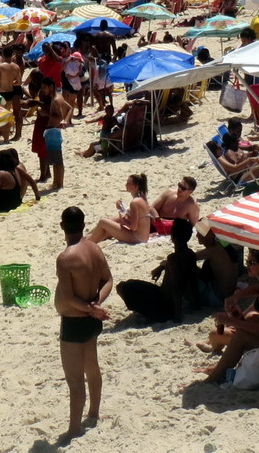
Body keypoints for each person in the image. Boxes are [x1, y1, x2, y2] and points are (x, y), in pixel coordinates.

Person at [54, 206, 112, 444]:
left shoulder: (65, 259)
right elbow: (108, 279)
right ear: (83, 223)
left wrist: (91, 308)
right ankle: (94, 413)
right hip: (91, 320)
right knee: (92, 367)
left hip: (75, 321)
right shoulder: (94, 248)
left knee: (75, 380)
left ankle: (74, 429)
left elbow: (68, 299)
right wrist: (97, 304)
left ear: (62, 226)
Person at [115, 217, 200, 324]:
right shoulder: (190, 255)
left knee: (123, 286)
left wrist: (177, 316)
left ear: (173, 237)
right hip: (169, 301)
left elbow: (176, 289)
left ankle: (147, 313)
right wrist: (198, 304)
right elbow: (193, 282)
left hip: (164, 304)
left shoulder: (173, 259)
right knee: (130, 285)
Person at [86, 173, 152, 244]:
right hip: (143, 237)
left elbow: (133, 227)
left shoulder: (134, 202)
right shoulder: (143, 198)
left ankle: (88, 244)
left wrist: (123, 219)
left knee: (103, 222)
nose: (126, 185)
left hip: (137, 238)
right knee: (109, 225)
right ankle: (86, 238)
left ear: (136, 186)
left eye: (128, 183)